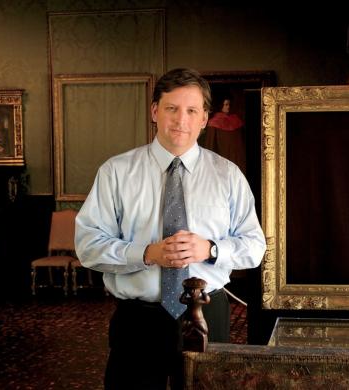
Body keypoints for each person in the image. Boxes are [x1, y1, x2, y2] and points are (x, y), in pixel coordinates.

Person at [74, 68, 266, 390]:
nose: (181, 120)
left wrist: (211, 249)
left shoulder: (228, 175)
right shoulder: (116, 172)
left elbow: (255, 247)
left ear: (205, 118)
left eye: (192, 111)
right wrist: (147, 253)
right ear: (154, 112)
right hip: (138, 320)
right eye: (171, 108)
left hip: (208, 314)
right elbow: (88, 245)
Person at [204, 96, 247, 173]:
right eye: (226, 104)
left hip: (236, 161)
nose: (228, 107)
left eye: (229, 104)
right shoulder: (213, 122)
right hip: (222, 161)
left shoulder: (236, 120)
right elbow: (210, 147)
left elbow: (241, 144)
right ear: (221, 106)